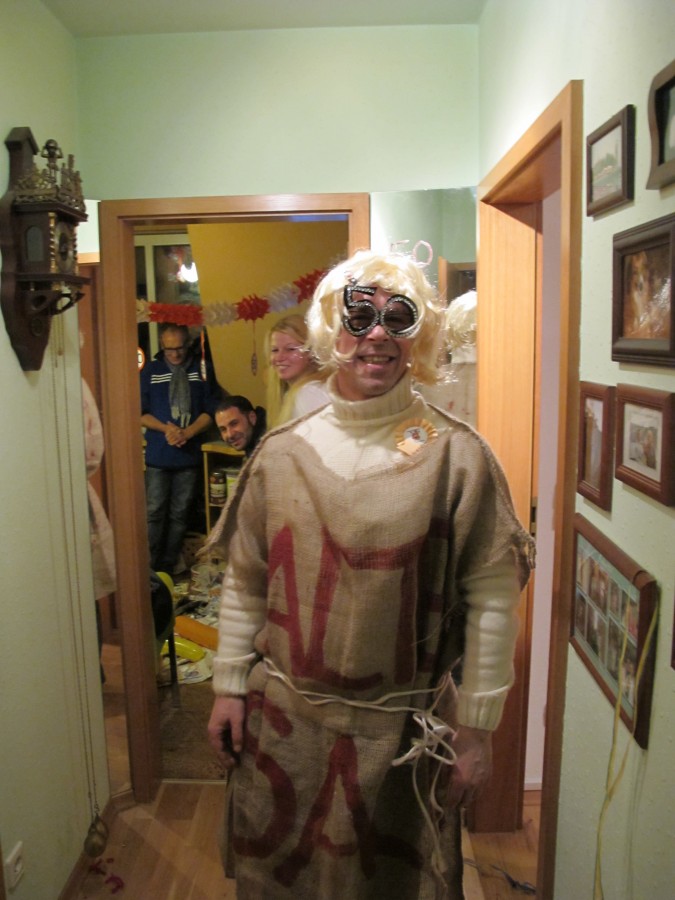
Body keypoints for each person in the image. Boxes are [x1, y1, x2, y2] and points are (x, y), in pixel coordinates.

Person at [204, 249, 535, 898]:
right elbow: (245, 581)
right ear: (332, 330)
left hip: (399, 742)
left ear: (419, 336)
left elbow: (493, 600)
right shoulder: (281, 455)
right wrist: (228, 686)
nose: (377, 332)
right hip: (286, 734)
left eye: (398, 317)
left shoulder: (457, 458)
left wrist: (476, 730)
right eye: (358, 315)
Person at [141, 323, 215, 574]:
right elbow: (140, 413)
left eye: (180, 348)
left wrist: (188, 432)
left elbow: (211, 410)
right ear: (162, 347)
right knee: (153, 512)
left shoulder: (201, 370)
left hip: (189, 455)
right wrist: (167, 429)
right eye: (169, 349)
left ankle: (168, 566)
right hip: (158, 455)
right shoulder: (151, 371)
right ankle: (150, 569)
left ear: (188, 345)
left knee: (180, 514)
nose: (175, 354)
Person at [266, 314, 329, 427]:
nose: (279, 358)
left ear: (311, 352)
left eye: (290, 349)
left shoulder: (309, 393)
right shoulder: (296, 393)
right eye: (275, 350)